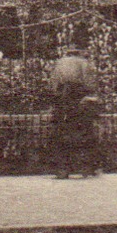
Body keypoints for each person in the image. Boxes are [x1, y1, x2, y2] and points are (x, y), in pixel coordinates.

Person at [49, 43, 100, 179]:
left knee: (62, 134)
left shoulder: (59, 63)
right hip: (79, 100)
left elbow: (53, 85)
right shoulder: (85, 63)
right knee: (84, 133)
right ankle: (86, 168)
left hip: (62, 101)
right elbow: (90, 84)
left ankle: (62, 169)